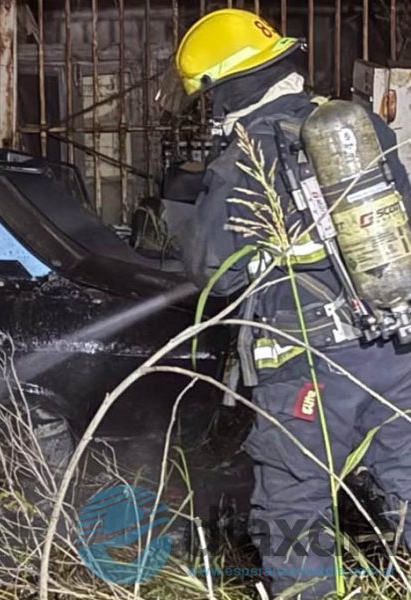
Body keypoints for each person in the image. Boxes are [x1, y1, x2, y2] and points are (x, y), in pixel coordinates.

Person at [171, 8, 411, 598]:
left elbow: (213, 275)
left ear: (222, 90)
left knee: (293, 511)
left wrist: (195, 189)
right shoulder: (355, 130)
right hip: (394, 347)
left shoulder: (242, 163)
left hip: (307, 368)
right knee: (408, 479)